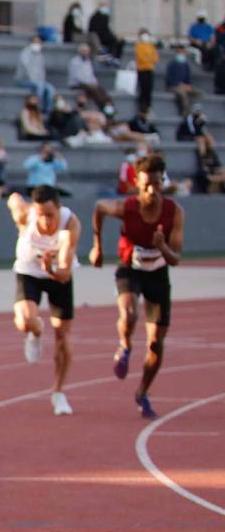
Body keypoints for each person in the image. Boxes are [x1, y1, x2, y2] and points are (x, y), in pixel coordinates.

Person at [89, 154, 182, 418]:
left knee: (156, 344)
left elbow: (175, 259)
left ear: (162, 181)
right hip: (130, 269)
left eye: (156, 184)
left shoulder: (174, 212)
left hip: (158, 275)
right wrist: (98, 246)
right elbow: (99, 207)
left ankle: (142, 393)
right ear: (137, 183)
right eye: (145, 185)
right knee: (129, 313)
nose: (151, 190)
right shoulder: (126, 208)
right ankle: (125, 345)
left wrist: (162, 246)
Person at [7, 186, 79, 415]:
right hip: (29, 271)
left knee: (63, 335)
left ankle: (58, 392)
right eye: (41, 215)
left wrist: (52, 267)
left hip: (58, 274)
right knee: (25, 321)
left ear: (59, 208)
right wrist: (13, 201)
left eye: (50, 215)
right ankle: (36, 332)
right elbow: (14, 200)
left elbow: (65, 274)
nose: (46, 221)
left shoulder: (69, 225)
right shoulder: (25, 215)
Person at [15, 37, 55, 113]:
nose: (37, 44)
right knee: (39, 86)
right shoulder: (25, 53)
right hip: (24, 80)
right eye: (35, 42)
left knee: (50, 88)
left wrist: (42, 81)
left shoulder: (40, 55)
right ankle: (36, 107)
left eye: (39, 43)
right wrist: (36, 80)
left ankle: (48, 110)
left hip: (38, 81)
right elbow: (26, 68)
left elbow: (42, 71)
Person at [133, 30, 159, 117]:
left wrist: (149, 58)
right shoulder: (139, 46)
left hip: (149, 69)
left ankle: (148, 108)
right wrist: (149, 58)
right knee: (143, 89)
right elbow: (141, 58)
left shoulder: (151, 46)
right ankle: (142, 109)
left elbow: (155, 58)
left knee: (148, 90)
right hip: (141, 70)